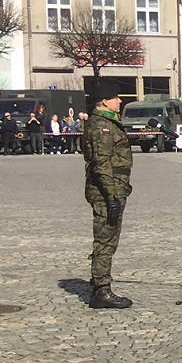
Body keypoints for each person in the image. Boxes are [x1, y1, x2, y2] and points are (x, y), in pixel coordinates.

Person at [81, 80, 134, 308]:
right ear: (104, 101)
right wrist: (111, 197)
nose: (120, 101)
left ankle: (99, 282)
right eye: (116, 98)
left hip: (115, 188)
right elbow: (101, 164)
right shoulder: (101, 126)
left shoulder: (108, 122)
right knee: (105, 240)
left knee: (109, 239)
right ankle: (101, 290)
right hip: (106, 192)